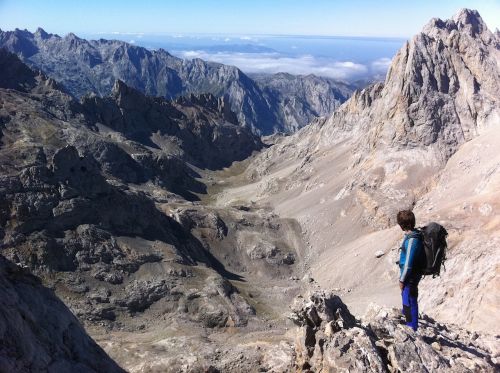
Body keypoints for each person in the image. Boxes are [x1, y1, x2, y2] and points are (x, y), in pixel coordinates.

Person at [396, 210, 424, 331]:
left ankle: (412, 327)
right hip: (412, 274)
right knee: (406, 297)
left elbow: (408, 264)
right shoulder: (413, 235)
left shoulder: (412, 239)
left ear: (402, 225)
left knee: (410, 299)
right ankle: (409, 321)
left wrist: (402, 280)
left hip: (410, 275)